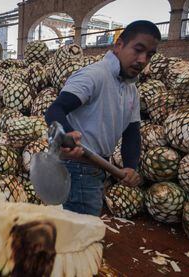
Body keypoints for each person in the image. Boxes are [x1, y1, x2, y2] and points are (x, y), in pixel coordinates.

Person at [45, 20, 161, 216]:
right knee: (82, 235)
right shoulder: (94, 75)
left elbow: (132, 133)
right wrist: (65, 135)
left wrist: (130, 166)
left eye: (149, 55)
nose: (142, 60)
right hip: (77, 168)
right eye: (138, 50)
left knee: (78, 232)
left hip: (97, 170)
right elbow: (55, 110)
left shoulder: (131, 89)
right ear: (119, 45)